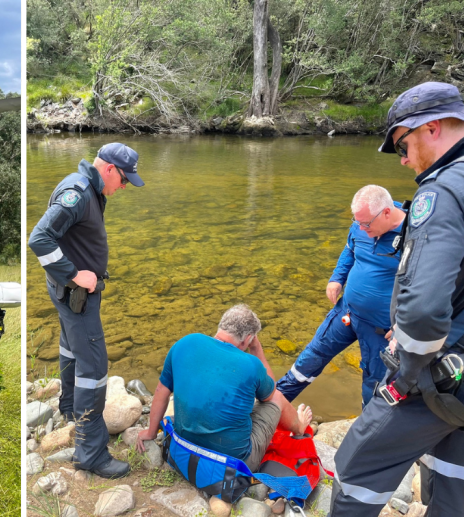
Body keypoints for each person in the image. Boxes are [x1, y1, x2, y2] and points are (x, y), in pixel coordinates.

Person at [330, 82, 464, 516]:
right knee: (453, 473)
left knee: (353, 468)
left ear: (432, 128)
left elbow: (424, 309)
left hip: (439, 375)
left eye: (402, 145)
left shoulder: (440, 192)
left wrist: (406, 373)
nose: (403, 160)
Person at [27, 142, 145, 479]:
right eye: (124, 180)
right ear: (108, 169)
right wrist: (75, 273)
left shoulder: (88, 189)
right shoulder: (78, 193)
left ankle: (67, 409)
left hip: (68, 293)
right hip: (74, 292)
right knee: (94, 366)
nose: (124, 187)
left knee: (71, 347)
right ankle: (91, 454)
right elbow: (39, 238)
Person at [136, 305, 311, 473]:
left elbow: (160, 391)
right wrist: (256, 348)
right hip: (233, 462)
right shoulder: (251, 364)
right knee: (277, 398)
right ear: (248, 339)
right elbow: (271, 393)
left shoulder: (186, 342)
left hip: (185, 446)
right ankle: (299, 428)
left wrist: (151, 432)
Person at [276, 185, 405, 406]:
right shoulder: (361, 224)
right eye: (357, 222)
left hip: (382, 328)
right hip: (347, 312)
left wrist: (406, 323)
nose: (361, 228)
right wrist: (337, 278)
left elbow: (431, 286)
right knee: (311, 357)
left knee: (375, 383)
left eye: (366, 224)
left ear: (386, 212)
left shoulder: (415, 234)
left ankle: (368, 431)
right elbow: (349, 249)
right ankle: (273, 404)